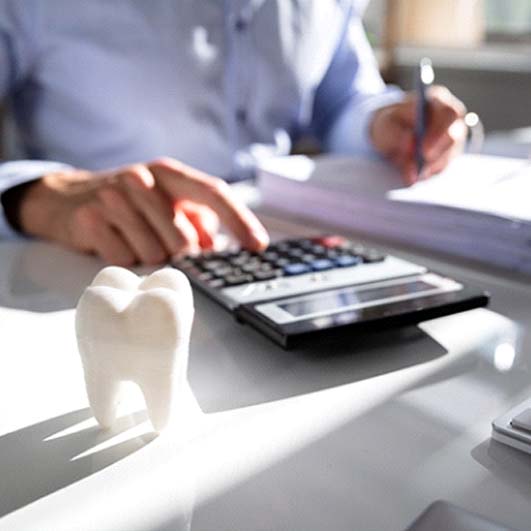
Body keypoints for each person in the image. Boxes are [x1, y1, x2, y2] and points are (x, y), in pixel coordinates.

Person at [0, 0, 466, 265]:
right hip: (93, 264)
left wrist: (383, 123)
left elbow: (342, 101)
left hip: (286, 250)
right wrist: (36, 197)